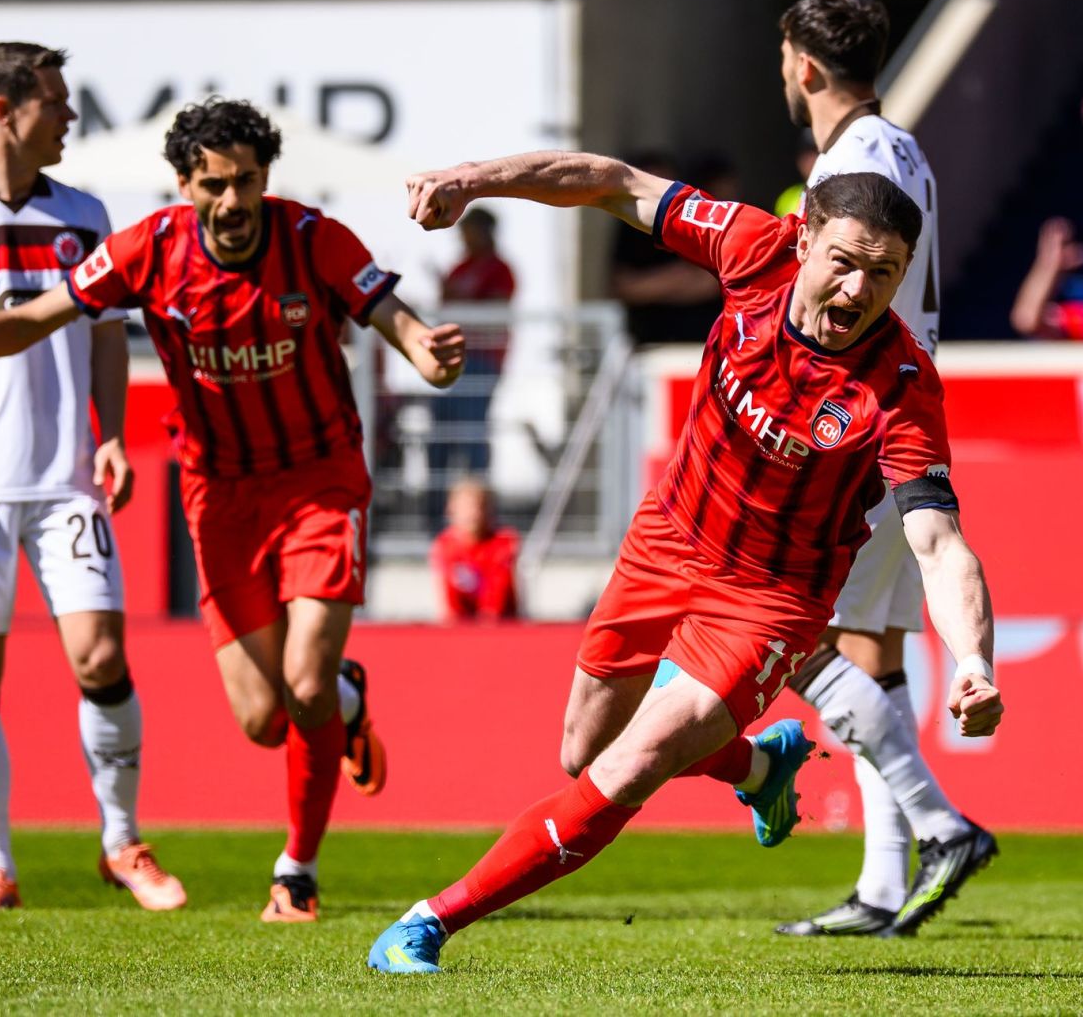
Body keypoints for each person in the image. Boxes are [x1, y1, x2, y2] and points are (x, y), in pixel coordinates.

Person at [366, 152, 1005, 973]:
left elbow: (939, 541)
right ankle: (756, 761)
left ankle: (426, 923)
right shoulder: (750, 246)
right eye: (843, 263)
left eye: (882, 274)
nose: (857, 290)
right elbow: (610, 183)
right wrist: (474, 182)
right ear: (803, 238)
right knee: (581, 751)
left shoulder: (901, 386)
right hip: (667, 537)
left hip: (772, 599)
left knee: (627, 767)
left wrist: (974, 661)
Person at [0, 96, 465, 923]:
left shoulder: (313, 238)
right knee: (262, 719)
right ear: (183, 184)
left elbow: (388, 311)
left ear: (266, 178)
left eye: (246, 182)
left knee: (302, 685)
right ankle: (346, 704)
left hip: (318, 480)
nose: (232, 202)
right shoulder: (150, 250)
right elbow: (38, 315)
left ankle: (297, 871)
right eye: (213, 185)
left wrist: (424, 347)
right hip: (220, 495)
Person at [0, 42, 183, 913]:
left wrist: (114, 435)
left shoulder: (84, 215)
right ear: (4, 109)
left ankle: (122, 844)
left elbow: (103, 335)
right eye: (55, 102)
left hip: (65, 481)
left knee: (100, 656)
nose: (69, 119)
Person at [768, 0, 997, 939]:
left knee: (780, 626)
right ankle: (878, 883)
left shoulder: (850, 166)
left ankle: (941, 827)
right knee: (871, 652)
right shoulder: (899, 147)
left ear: (804, 66)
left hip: (855, 425)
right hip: (900, 416)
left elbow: (835, 304)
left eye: (784, 59)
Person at [428, 207, 514, 498]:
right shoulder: (461, 267)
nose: (463, 238)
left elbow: (495, 309)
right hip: (454, 361)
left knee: (471, 434)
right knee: (441, 435)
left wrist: (459, 299)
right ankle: (438, 509)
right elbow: (447, 305)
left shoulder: (499, 269)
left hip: (482, 362)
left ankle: (479, 505)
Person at [607, 150, 724, 345]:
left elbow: (711, 282)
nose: (655, 195)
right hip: (650, 342)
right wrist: (678, 279)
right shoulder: (629, 229)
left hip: (701, 341)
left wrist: (651, 285)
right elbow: (623, 288)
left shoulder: (694, 220)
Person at [430, 477, 519, 622]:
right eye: (467, 507)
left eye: (480, 506)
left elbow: (497, 597)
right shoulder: (445, 546)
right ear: (451, 509)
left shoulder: (503, 542)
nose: (474, 513)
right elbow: (449, 601)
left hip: (501, 627)